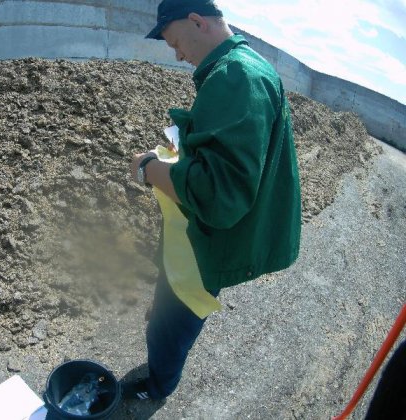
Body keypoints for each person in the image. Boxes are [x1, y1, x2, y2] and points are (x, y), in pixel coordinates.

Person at [123, 0, 302, 401]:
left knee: (171, 325)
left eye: (174, 42)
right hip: (206, 237)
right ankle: (160, 366)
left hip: (205, 246)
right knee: (171, 316)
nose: (178, 55)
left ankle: (155, 388)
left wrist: (148, 168)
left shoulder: (234, 75)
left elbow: (220, 195)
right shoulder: (247, 66)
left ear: (197, 21)